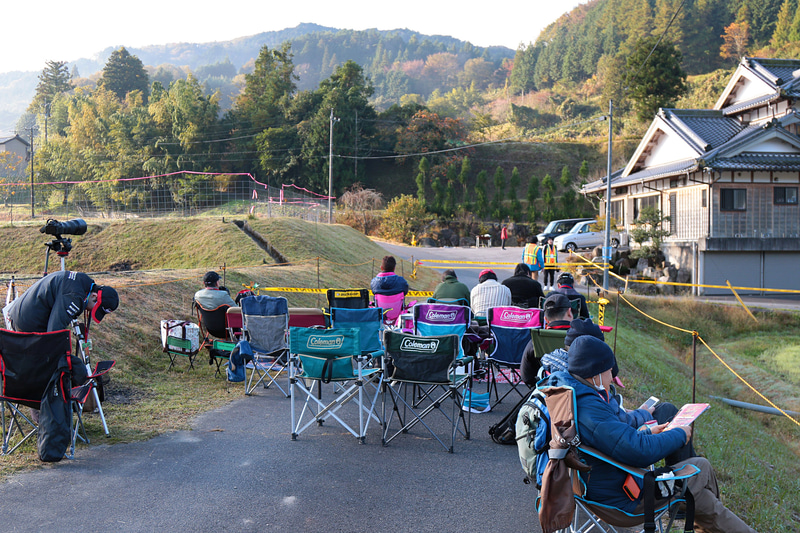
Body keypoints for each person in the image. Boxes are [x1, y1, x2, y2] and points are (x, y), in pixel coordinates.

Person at [544, 336, 756, 533]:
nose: (612, 377)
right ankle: (697, 517)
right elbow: (638, 451)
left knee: (700, 481)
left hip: (605, 482)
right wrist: (679, 434)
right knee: (699, 469)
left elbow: (615, 441)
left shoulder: (573, 394)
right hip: (626, 498)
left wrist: (647, 431)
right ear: (595, 373)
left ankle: (699, 518)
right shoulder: (590, 409)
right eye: (609, 371)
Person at [4, 270, 119, 333]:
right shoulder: (75, 297)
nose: (89, 310)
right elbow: (54, 332)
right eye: (95, 308)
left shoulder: (83, 282)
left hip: (20, 312)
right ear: (94, 296)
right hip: (25, 323)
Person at [519, 293, 574, 385]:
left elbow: (526, 376)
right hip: (578, 391)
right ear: (569, 312)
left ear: (546, 319)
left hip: (547, 390)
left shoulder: (537, 339)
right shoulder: (583, 337)